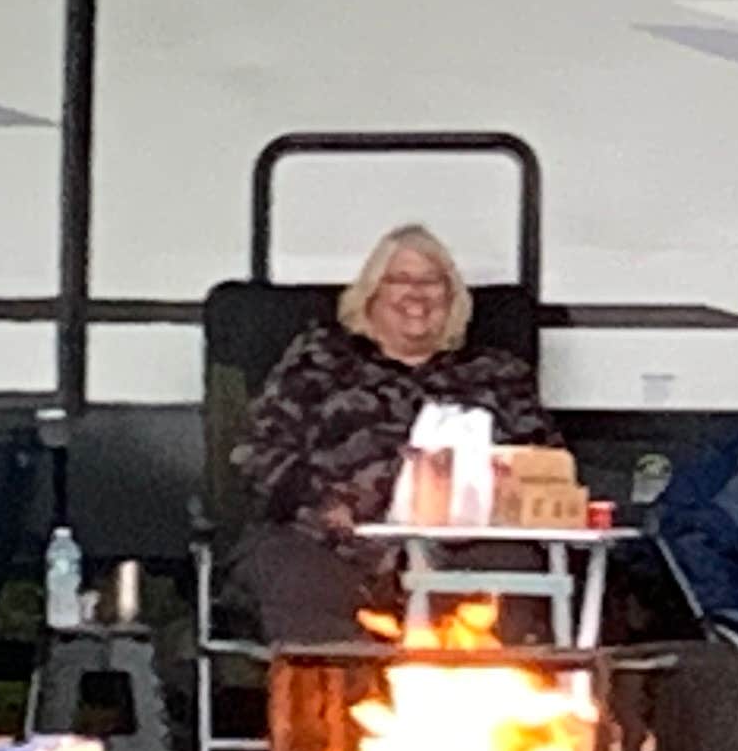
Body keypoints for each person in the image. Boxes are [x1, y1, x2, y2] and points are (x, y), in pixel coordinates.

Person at [231, 223, 553, 643]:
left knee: (514, 574)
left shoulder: (498, 374)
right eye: (399, 279)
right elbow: (258, 453)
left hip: (466, 549)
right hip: (334, 543)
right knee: (295, 572)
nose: (416, 295)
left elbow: (544, 463)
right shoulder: (319, 362)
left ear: (452, 296)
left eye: (432, 282)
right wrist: (323, 504)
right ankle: (331, 686)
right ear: (370, 295)